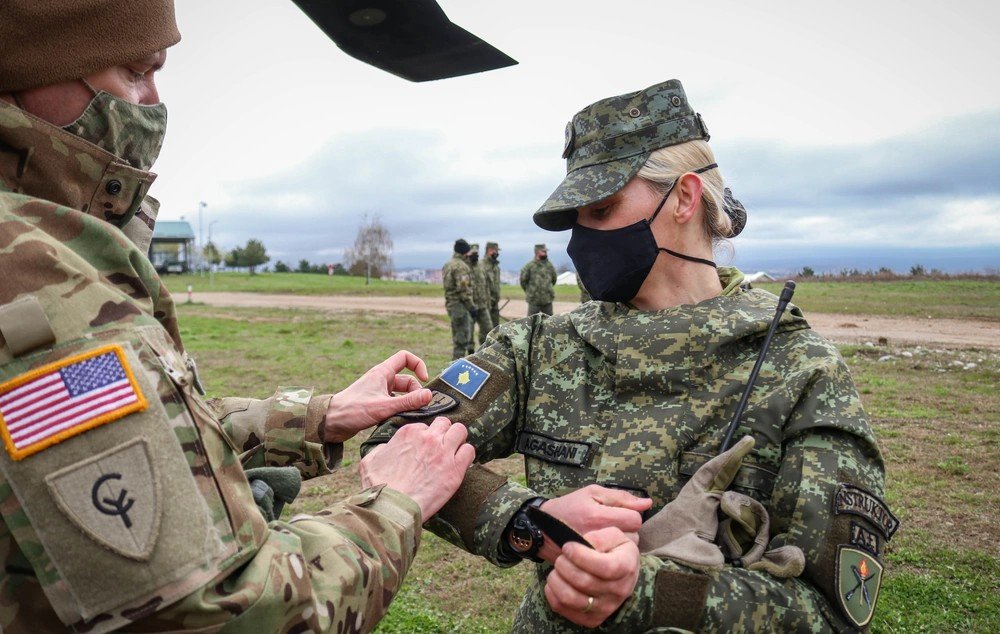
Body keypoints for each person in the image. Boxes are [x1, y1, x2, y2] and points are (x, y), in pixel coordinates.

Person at [0, 2, 475, 631]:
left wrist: (317, 417)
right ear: (32, 67)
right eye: (140, 71)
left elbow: (101, 418)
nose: (153, 101)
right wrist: (396, 499)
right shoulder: (36, 275)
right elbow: (222, 614)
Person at [364, 79, 894, 632]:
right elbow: (394, 443)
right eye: (576, 218)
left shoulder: (803, 372)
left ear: (685, 198)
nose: (582, 239)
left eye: (603, 208)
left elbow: (831, 610)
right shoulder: (541, 348)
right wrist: (530, 520)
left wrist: (647, 593)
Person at [443, 238, 475, 359]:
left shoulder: (448, 264)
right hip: (459, 307)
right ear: (464, 252)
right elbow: (463, 289)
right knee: (461, 342)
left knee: (457, 337)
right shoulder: (461, 266)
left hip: (451, 305)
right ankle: (455, 373)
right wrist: (471, 306)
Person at [467, 243, 495, 353]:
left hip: (483, 305)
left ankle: (484, 352)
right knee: (469, 332)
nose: (475, 255)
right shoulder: (465, 267)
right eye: (473, 253)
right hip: (470, 306)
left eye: (477, 253)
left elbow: (486, 286)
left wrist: (488, 302)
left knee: (488, 329)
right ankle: (470, 352)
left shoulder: (481, 267)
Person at [520, 243, 558, 316]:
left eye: (546, 251)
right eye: (544, 251)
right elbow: (523, 281)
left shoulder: (549, 265)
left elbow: (554, 279)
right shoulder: (529, 266)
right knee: (531, 323)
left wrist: (548, 289)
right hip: (534, 299)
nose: (546, 253)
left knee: (550, 322)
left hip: (547, 299)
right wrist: (530, 291)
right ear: (537, 252)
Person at [481, 241, 503, 328]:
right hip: (485, 303)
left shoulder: (496, 267)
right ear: (489, 250)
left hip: (495, 303)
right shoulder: (481, 265)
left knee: (496, 329)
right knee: (486, 330)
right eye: (495, 251)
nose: (497, 253)